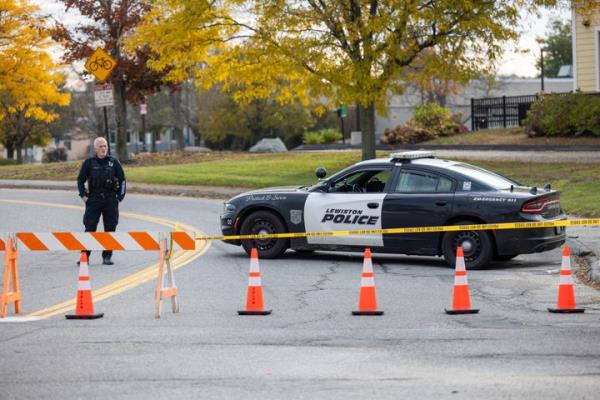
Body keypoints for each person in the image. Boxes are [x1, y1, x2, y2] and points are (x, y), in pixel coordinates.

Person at [77, 137, 126, 265]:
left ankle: (107, 256)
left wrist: (119, 197)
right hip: (94, 199)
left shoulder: (114, 162)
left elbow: (122, 181)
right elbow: (80, 180)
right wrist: (83, 195)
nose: (103, 148)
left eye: (105, 146)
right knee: (90, 228)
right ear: (95, 149)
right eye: (100, 146)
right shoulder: (89, 163)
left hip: (110, 199)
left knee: (110, 228)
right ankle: (85, 256)